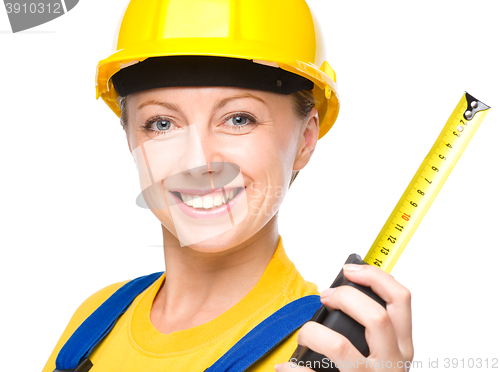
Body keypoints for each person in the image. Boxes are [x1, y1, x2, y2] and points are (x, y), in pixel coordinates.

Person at [42, 0, 413, 371]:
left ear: (305, 139)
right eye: (161, 124)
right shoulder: (94, 324)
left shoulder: (330, 354)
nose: (197, 162)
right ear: (131, 140)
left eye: (238, 119)